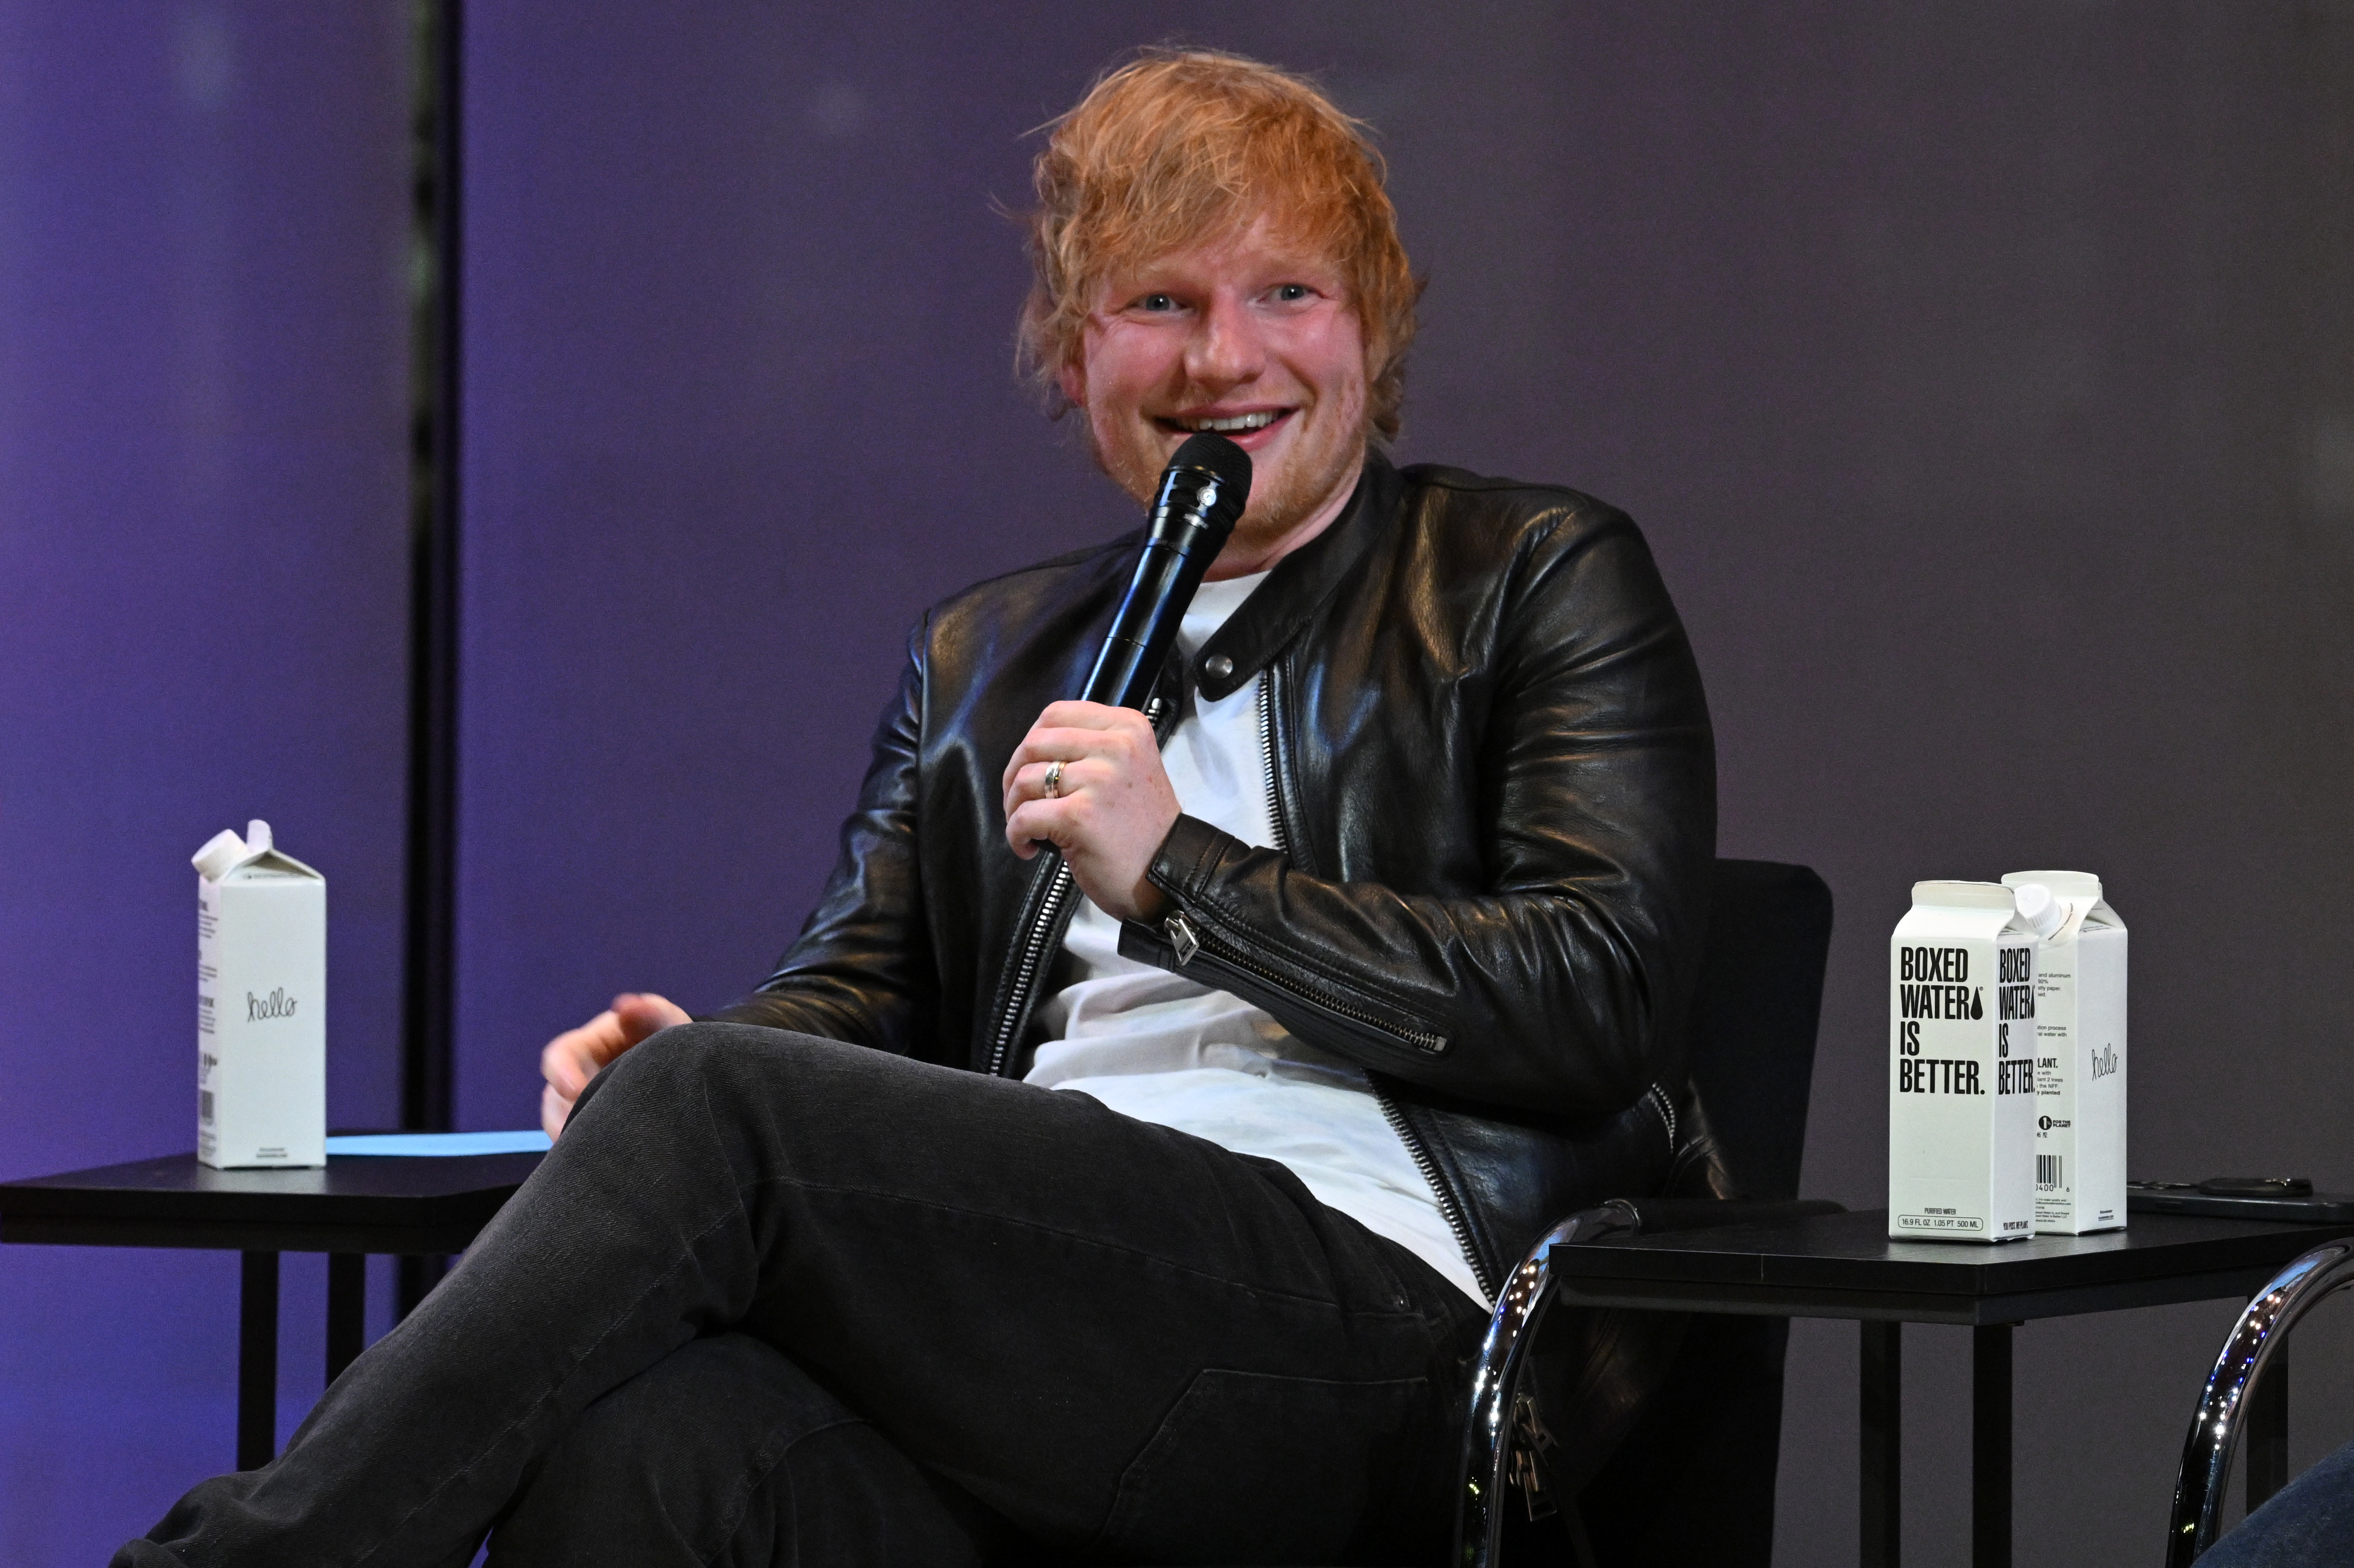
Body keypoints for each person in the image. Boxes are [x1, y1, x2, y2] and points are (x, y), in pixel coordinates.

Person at [120, 48, 1715, 1568]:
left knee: (713, 1117)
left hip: (1378, 1332)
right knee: (652, 1442)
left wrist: (1189, 879)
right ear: (1076, 352)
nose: (1224, 358)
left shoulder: (1530, 575)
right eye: (1160, 302)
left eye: (1284, 293)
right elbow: (860, 993)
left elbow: (1601, 996)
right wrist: (695, 1058)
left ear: (1371, 324)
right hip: (1031, 1304)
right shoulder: (983, 653)